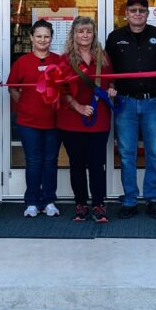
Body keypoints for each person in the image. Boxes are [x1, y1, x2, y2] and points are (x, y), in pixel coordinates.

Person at [105, 0, 156, 219]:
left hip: (153, 102)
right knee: (127, 153)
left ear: (147, 13)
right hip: (125, 103)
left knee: (153, 152)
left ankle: (153, 198)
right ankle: (130, 199)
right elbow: (108, 68)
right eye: (133, 10)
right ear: (126, 13)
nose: (137, 14)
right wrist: (110, 84)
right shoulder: (114, 37)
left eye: (142, 10)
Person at [56, 15, 115, 224]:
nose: (85, 35)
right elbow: (60, 88)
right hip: (72, 120)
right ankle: (80, 204)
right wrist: (78, 106)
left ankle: (99, 205)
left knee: (97, 165)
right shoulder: (65, 60)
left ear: (94, 34)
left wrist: (112, 91)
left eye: (89, 31)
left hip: (99, 120)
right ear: (74, 34)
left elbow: (110, 83)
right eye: (81, 31)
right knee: (77, 165)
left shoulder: (104, 57)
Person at [7, 19, 61, 217]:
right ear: (31, 38)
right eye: (39, 36)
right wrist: (23, 102)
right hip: (28, 122)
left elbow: (65, 87)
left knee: (50, 161)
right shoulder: (22, 62)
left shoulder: (58, 60)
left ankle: (49, 201)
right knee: (33, 161)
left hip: (54, 121)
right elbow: (11, 87)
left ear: (51, 38)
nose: (42, 40)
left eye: (46, 36)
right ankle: (31, 201)